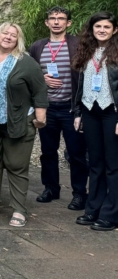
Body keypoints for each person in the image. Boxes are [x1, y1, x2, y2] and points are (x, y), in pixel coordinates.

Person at [0, 23, 49, 228]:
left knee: (16, 166)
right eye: (5, 33)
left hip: (18, 120)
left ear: (18, 40)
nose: (8, 37)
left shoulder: (25, 62)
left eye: (13, 35)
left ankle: (18, 208)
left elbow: (40, 89)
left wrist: (40, 115)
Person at [29, 7, 87, 210]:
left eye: (61, 19)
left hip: (71, 108)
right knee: (47, 151)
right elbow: (29, 73)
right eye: (52, 18)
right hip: (47, 108)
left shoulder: (78, 45)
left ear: (68, 23)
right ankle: (50, 188)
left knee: (76, 153)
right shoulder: (37, 46)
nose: (56, 22)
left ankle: (80, 193)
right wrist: (41, 78)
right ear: (46, 23)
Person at [71, 12, 118, 231]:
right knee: (95, 163)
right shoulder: (86, 51)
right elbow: (79, 86)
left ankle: (111, 213)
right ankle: (94, 209)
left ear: (114, 30)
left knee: (112, 165)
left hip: (112, 112)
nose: (102, 30)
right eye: (98, 26)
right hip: (90, 111)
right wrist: (78, 112)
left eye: (106, 27)